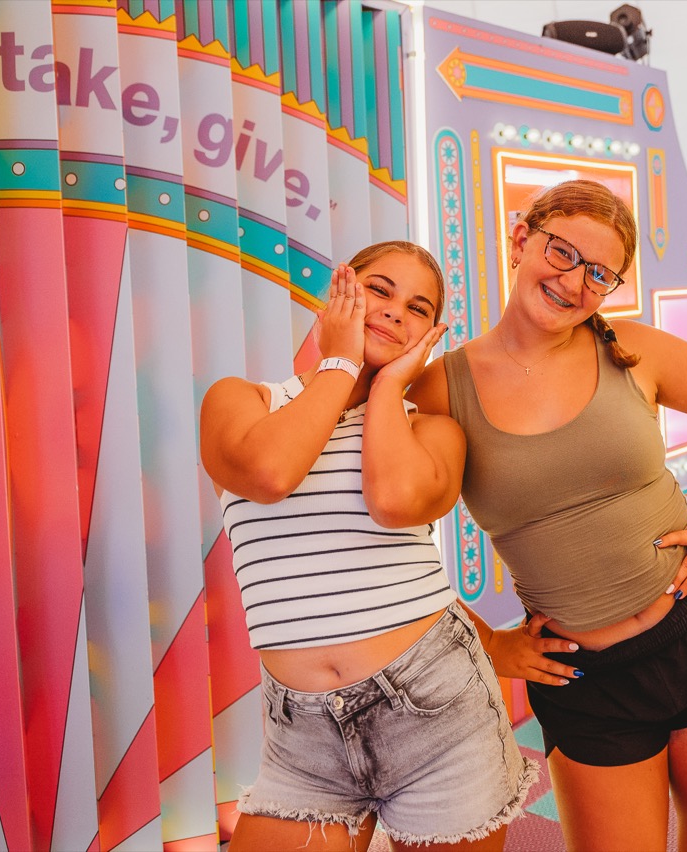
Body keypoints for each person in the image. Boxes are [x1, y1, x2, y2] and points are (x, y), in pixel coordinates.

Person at [409, 180, 687, 851]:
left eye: (598, 273)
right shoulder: (441, 388)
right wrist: (489, 643)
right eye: (561, 252)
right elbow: (388, 542)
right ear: (520, 238)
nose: (572, 281)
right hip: (587, 681)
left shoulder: (631, 348)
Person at [199, 241, 537, 851]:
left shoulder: (429, 430)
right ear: (337, 294)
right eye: (379, 290)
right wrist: (340, 363)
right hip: (303, 736)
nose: (394, 311)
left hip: (440, 713)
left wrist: (387, 389)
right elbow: (271, 473)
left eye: (417, 308)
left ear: (427, 334)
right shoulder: (243, 402)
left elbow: (395, 501)